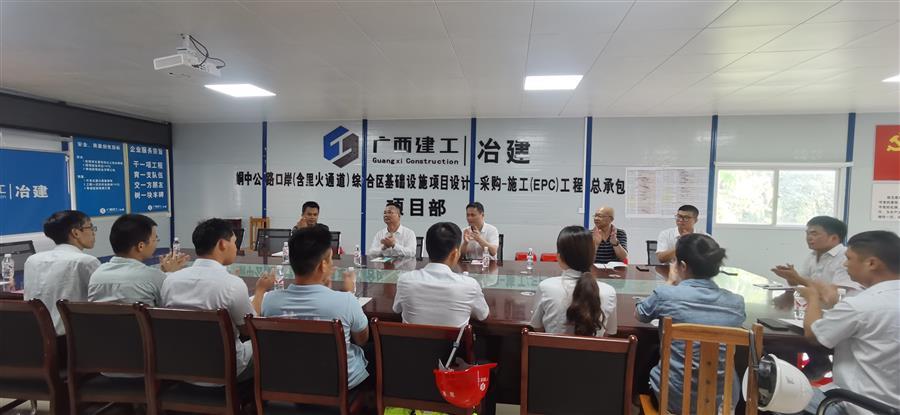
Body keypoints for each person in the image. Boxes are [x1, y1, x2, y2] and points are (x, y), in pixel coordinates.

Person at [792, 231, 900, 415]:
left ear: (872, 263)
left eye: (849, 258)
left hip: (855, 405)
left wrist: (813, 297)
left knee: (772, 386)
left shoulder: (860, 305)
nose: (845, 264)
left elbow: (813, 335)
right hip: (891, 406)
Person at [636, 234, 745, 414]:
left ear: (683, 266)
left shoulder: (665, 295)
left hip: (672, 402)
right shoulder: (736, 303)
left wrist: (670, 283)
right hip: (722, 405)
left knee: (647, 358)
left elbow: (640, 314)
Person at [161, 218, 275, 382]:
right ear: (222, 244)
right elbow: (249, 329)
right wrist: (260, 291)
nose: (236, 248)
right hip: (225, 369)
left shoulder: (170, 281)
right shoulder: (232, 284)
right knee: (270, 342)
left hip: (182, 367)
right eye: (235, 242)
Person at [261, 225, 370, 389]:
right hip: (336, 386)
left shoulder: (269, 301)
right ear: (323, 265)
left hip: (288, 383)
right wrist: (348, 293)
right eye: (330, 259)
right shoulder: (346, 301)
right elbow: (362, 339)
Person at [393, 222, 489, 327]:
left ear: (427, 249)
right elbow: (483, 315)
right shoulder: (470, 285)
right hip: (455, 338)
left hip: (411, 338)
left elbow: (397, 309)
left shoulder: (405, 280)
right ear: (455, 254)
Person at [24, 210, 100, 336]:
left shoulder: (32, 260)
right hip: (74, 338)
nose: (93, 232)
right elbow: (102, 302)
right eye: (90, 227)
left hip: (36, 337)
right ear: (76, 233)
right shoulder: (86, 262)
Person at [531, 226, 618, 336]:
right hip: (593, 348)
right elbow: (610, 332)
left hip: (551, 348)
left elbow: (537, 327)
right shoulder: (609, 291)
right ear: (592, 256)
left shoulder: (546, 287)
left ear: (559, 257)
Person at [88, 214, 189, 305]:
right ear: (141, 246)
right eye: (155, 239)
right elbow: (171, 306)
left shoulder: (96, 276)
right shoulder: (153, 277)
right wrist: (170, 275)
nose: (156, 243)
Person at [771, 216, 863, 300]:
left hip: (840, 307)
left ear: (834, 238)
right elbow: (803, 286)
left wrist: (798, 279)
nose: (809, 238)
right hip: (816, 304)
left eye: (814, 234)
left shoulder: (846, 257)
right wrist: (791, 278)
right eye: (807, 234)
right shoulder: (812, 256)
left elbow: (837, 293)